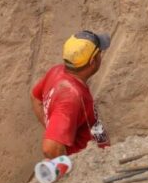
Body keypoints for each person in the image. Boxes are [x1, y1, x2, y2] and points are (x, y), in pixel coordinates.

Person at [30, 30, 112, 159]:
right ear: (92, 62)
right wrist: (68, 168)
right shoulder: (71, 97)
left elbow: (35, 97)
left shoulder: (57, 71)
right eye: (99, 53)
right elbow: (50, 148)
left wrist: (53, 127)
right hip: (84, 167)